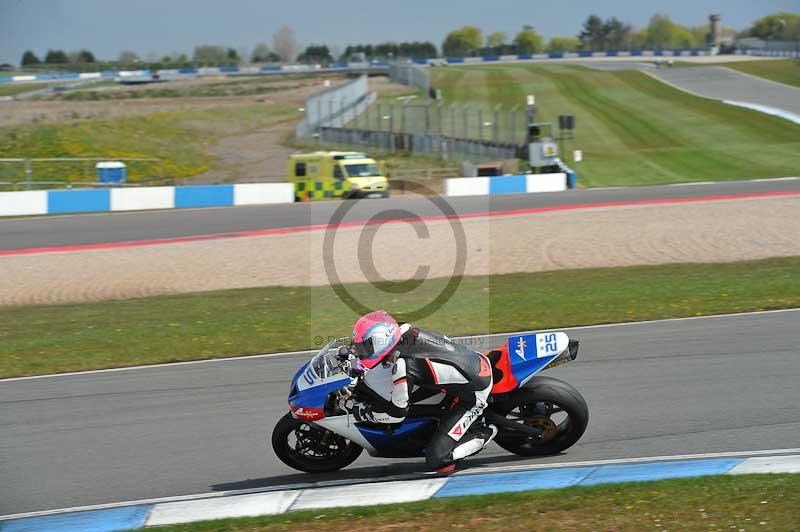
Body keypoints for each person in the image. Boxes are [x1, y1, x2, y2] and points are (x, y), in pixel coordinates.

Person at [346, 310, 497, 473]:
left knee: (438, 460)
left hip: (474, 392)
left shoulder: (403, 366)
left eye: (364, 347)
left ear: (380, 342)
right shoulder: (402, 330)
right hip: (469, 364)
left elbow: (397, 414)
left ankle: (486, 431)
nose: (360, 350)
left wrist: (364, 412)